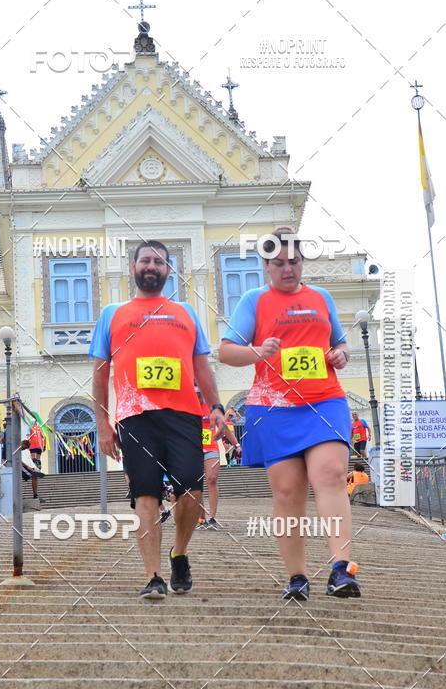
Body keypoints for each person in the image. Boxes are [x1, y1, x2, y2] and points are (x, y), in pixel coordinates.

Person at [218, 227, 362, 600]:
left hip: (324, 400)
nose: (288, 269)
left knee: (329, 474)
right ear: (266, 265)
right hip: (273, 406)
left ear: (302, 262)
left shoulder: (321, 297)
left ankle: (340, 569)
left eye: (294, 262)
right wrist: (259, 351)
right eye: (279, 263)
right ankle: (297, 576)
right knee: (287, 492)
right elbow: (226, 351)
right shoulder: (254, 300)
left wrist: (341, 355)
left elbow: (340, 343)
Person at [90, 240, 227, 601]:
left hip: (184, 414)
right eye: (146, 260)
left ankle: (179, 553)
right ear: (133, 266)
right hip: (135, 416)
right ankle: (153, 576)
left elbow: (202, 367)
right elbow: (101, 374)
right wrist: (103, 424)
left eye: (160, 262)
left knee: (191, 489)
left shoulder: (185, 312)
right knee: (145, 492)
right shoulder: (112, 314)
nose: (153, 266)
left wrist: (216, 408)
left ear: (169, 271)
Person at [195, 386, 241, 529]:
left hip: (211, 448)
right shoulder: (187, 405)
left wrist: (237, 445)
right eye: (195, 392)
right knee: (196, 484)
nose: (198, 395)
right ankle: (201, 518)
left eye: (199, 392)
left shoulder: (212, 407)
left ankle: (213, 518)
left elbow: (224, 427)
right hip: (192, 449)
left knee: (212, 478)